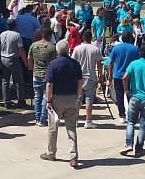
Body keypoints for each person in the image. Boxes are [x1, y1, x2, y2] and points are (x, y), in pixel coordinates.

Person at [39, 39, 82, 169]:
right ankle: (73, 156)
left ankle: (51, 153)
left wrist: (48, 99)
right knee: (71, 128)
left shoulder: (53, 64)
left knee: (53, 127)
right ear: (68, 49)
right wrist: (78, 96)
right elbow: (80, 81)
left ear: (57, 50)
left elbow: (49, 84)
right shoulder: (75, 64)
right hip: (72, 98)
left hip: (57, 99)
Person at [120, 44, 145, 157]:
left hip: (135, 96)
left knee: (131, 122)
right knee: (143, 123)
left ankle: (129, 144)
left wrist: (126, 90)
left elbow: (124, 78)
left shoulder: (133, 64)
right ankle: (139, 147)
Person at [71, 30, 103, 129]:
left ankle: (75, 120)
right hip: (91, 76)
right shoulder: (95, 49)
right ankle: (88, 121)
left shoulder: (77, 49)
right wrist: (100, 76)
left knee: (78, 100)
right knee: (89, 100)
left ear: (82, 38)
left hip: (79, 77)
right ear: (91, 37)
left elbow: (73, 63)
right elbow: (99, 64)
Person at [28, 27, 58, 127]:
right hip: (47, 75)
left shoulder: (33, 45)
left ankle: (37, 118)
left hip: (36, 74)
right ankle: (42, 119)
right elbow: (55, 62)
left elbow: (29, 58)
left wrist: (32, 68)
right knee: (46, 97)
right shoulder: (52, 47)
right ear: (50, 36)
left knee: (37, 97)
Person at [108, 32, 140, 123]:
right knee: (131, 94)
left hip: (118, 75)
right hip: (131, 75)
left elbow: (111, 62)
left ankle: (122, 115)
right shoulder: (135, 49)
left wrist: (110, 74)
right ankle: (132, 113)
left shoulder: (116, 48)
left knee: (119, 95)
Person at [0, 18, 28, 109]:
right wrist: (25, 62)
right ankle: (21, 100)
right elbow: (21, 49)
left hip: (4, 58)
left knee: (5, 81)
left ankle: (6, 101)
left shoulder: (2, 34)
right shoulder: (17, 35)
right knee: (19, 81)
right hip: (13, 59)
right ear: (15, 26)